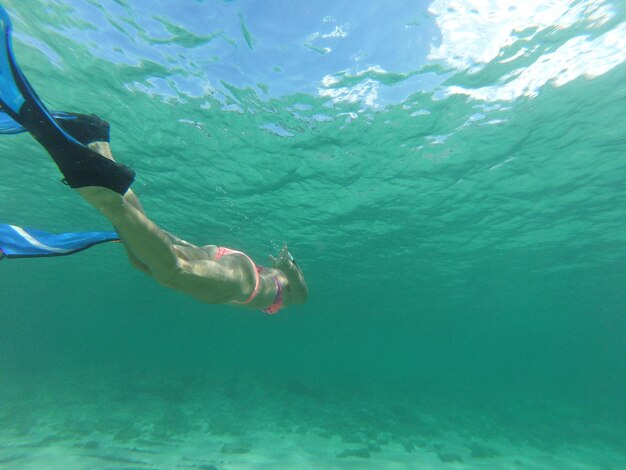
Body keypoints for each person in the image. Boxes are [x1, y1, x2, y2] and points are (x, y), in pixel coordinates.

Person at [0, 5, 307, 314]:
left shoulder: (278, 282)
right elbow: (302, 294)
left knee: (141, 258)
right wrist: (289, 265)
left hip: (223, 260)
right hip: (243, 281)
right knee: (172, 272)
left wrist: (285, 264)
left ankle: (94, 137)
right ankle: (88, 177)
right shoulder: (289, 292)